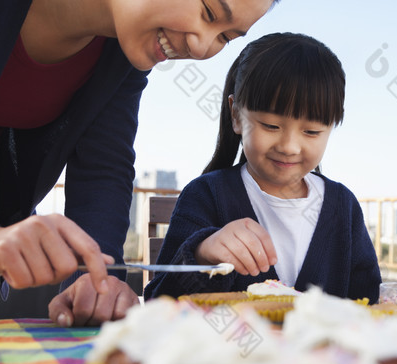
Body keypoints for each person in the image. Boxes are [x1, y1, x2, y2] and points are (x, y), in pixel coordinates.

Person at [0, 0, 289, 324]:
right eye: (209, 12)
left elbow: (103, 169)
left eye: (225, 37)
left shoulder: (121, 55)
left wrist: (97, 281)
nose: (201, 47)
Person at [144, 32, 381, 302]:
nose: (290, 146)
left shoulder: (343, 207)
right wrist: (202, 255)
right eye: (271, 126)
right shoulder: (207, 195)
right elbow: (158, 302)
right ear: (236, 115)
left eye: (312, 131)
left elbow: (369, 303)